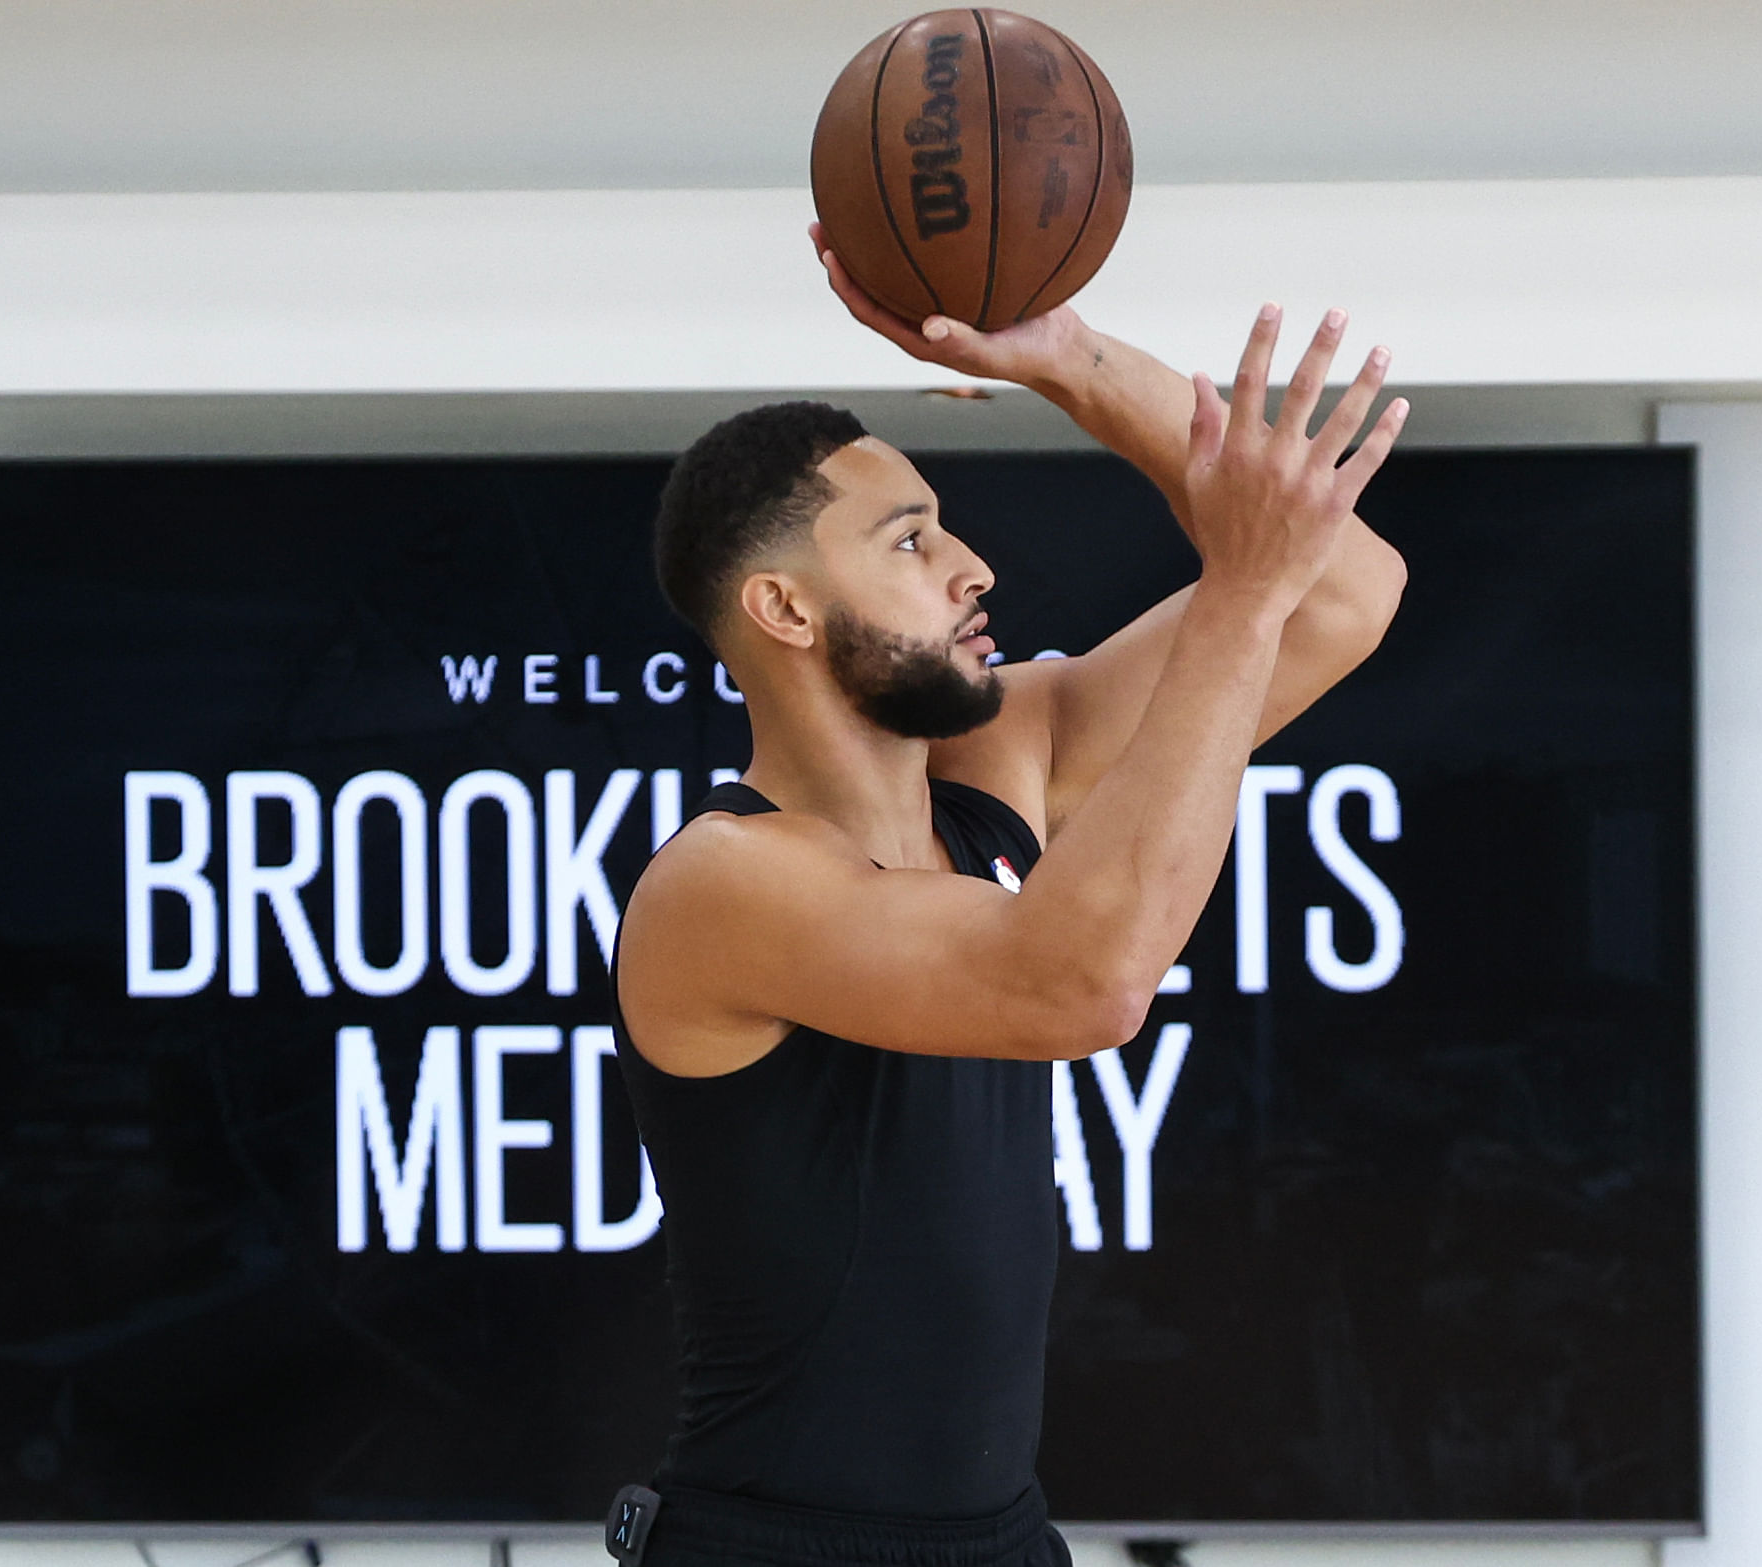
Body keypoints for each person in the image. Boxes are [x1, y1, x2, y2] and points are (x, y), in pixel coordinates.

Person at [600, 231, 1409, 1567]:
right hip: (778, 1549)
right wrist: (1240, 585)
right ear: (785, 612)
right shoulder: (724, 881)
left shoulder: (999, 756)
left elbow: (1344, 596)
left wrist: (1071, 361)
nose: (972, 566)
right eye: (911, 541)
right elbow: (1076, 984)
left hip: (999, 1540)